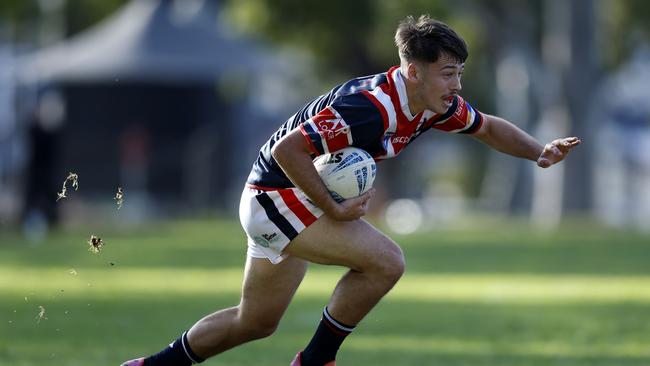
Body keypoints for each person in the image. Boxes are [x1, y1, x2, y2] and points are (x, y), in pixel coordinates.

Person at [121, 15, 580, 366]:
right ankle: (316, 361)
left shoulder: (434, 105)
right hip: (276, 196)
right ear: (412, 72)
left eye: (459, 73)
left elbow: (488, 128)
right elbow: (287, 151)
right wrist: (334, 209)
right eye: (447, 73)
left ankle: (148, 365)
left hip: (287, 200)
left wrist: (537, 152)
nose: (456, 85)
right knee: (386, 261)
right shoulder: (367, 108)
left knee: (255, 322)